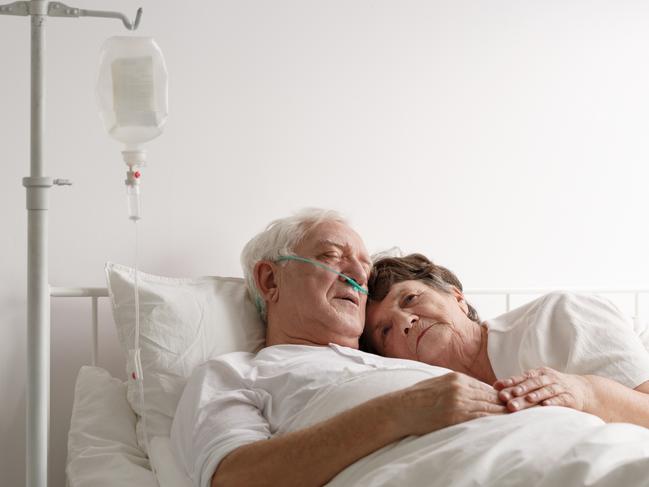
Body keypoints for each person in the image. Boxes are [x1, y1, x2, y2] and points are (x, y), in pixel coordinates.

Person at [170, 210, 507, 487]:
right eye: (332, 257)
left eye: (365, 265)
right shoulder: (235, 374)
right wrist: (402, 410)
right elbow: (233, 478)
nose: (361, 275)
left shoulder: (401, 353)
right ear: (271, 280)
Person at [362, 252, 649, 427]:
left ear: (458, 298)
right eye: (384, 330)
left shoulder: (561, 316)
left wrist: (587, 393)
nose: (404, 321)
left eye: (410, 298)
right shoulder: (436, 405)